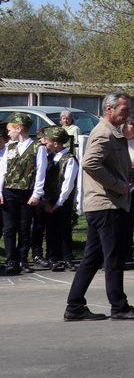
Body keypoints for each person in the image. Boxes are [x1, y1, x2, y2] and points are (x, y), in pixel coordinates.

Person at [65, 91, 134, 321]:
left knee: (92, 258)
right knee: (113, 257)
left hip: (105, 204)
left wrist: (130, 174)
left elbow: (112, 164)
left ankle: (74, 307)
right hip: (106, 205)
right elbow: (90, 163)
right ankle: (119, 306)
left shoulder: (115, 134)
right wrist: (117, 185)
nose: (128, 114)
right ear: (109, 110)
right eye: (124, 109)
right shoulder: (104, 134)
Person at [0, 112, 46, 274]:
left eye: (10, 129)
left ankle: (22, 258)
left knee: (24, 228)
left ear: (19, 128)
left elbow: (41, 172)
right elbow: (3, 171)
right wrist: (0, 191)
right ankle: (11, 259)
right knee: (9, 228)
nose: (8, 133)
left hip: (27, 192)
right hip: (9, 191)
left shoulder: (37, 148)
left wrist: (37, 194)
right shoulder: (9, 147)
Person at [40, 126, 78, 271]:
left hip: (62, 200)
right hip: (49, 199)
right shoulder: (49, 157)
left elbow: (68, 183)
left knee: (64, 229)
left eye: (47, 140)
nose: (44, 143)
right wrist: (45, 200)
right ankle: (52, 257)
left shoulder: (69, 159)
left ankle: (67, 257)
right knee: (50, 229)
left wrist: (59, 202)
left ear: (56, 143)